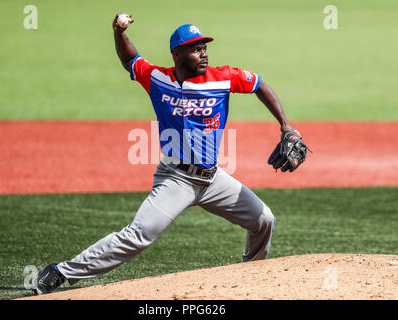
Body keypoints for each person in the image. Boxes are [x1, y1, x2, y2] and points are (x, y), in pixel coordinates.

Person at [31, 13, 306, 295]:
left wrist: (286, 126)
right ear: (177, 54)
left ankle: (250, 274)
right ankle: (60, 271)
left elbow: (258, 84)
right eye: (196, 49)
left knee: (264, 220)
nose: (204, 54)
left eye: (205, 48)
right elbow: (130, 60)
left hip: (213, 180)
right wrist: (118, 32)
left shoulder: (223, 77)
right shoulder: (159, 79)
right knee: (139, 235)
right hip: (176, 178)